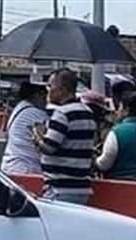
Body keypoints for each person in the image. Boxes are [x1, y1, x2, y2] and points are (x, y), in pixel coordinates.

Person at [32, 68, 97, 205]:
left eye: (50, 86)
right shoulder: (88, 112)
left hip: (59, 188)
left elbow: (49, 147)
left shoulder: (62, 114)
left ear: (62, 89)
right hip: (82, 188)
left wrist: (37, 137)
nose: (47, 90)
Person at [95, 93, 136, 181]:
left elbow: (104, 164)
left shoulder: (117, 132)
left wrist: (95, 162)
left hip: (120, 186)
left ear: (126, 110)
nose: (117, 111)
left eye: (119, 107)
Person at [0, 81, 49, 176]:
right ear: (37, 95)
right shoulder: (35, 113)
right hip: (25, 169)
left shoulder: (20, 108)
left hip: (12, 166)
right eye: (44, 95)